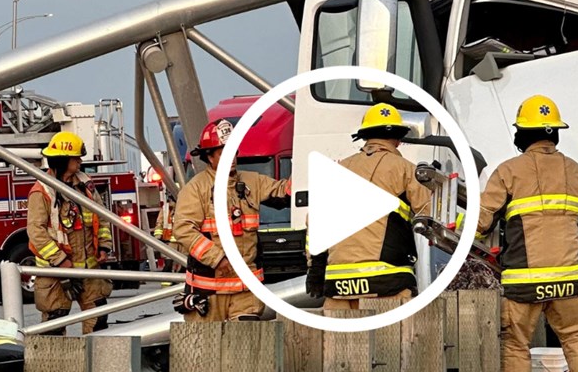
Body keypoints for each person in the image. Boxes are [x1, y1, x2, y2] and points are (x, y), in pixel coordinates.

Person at [474, 95, 578, 372]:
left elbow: (482, 222)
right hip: (572, 280)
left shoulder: (508, 172)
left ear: (521, 134)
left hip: (524, 281)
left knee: (515, 342)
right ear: (555, 134)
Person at [308, 103, 433, 310]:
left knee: (342, 342)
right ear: (398, 140)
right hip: (387, 282)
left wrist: (316, 269)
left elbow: (315, 224)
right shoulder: (405, 170)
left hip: (338, 286)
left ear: (365, 137)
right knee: (392, 341)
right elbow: (429, 215)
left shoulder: (338, 169)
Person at [172, 119, 291, 322]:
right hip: (209, 292)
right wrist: (216, 258)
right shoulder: (196, 189)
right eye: (223, 152)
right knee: (208, 350)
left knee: (245, 347)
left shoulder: (252, 181)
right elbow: (183, 229)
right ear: (209, 157)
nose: (231, 157)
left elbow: (282, 190)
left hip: (246, 291)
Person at [27, 132, 113, 335]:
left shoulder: (85, 184)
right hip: (55, 273)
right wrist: (60, 260)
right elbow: (36, 231)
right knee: (54, 325)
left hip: (89, 269)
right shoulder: (42, 192)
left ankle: (96, 365)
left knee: (98, 320)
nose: (80, 161)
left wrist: (103, 245)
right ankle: (56, 367)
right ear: (64, 160)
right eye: (76, 158)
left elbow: (102, 216)